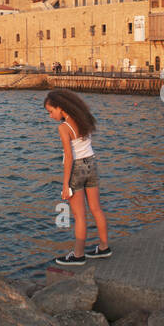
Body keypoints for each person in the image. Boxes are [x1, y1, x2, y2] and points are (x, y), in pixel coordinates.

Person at [45, 90, 110, 265]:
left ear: (61, 108)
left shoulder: (64, 127)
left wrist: (65, 184)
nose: (51, 116)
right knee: (96, 209)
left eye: (51, 111)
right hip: (92, 163)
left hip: (77, 168)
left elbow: (69, 157)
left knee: (79, 215)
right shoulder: (84, 118)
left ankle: (78, 255)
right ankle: (104, 247)